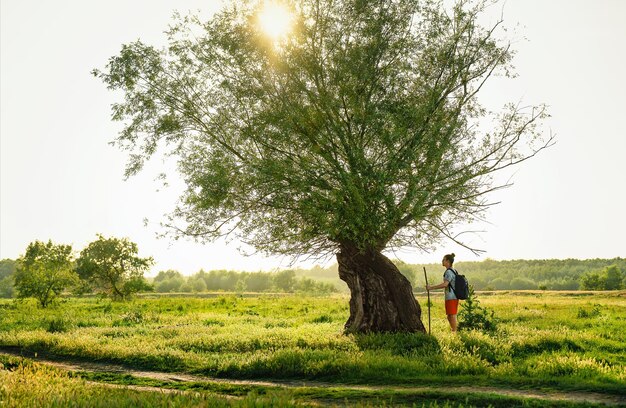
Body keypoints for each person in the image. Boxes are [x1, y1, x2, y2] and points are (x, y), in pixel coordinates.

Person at [426, 253, 458, 332]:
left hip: (451, 297)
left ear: (447, 261)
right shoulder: (454, 271)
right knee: (450, 315)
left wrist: (431, 288)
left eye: (443, 259)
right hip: (452, 296)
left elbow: (445, 284)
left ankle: (454, 333)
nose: (442, 261)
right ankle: (453, 331)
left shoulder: (449, 272)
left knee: (451, 315)